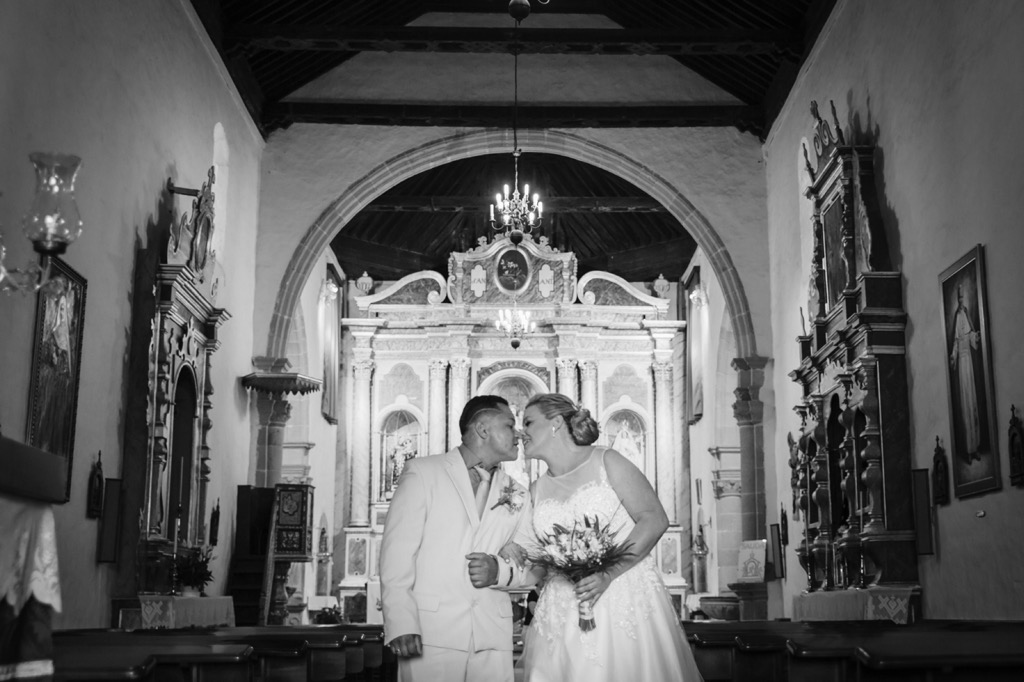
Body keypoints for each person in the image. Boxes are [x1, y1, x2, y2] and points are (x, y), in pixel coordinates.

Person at [516, 393, 703, 681]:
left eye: (528, 422)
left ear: (555, 423)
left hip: (620, 596)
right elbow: (538, 563)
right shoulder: (536, 489)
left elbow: (654, 519)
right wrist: (502, 571)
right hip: (560, 610)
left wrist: (608, 573)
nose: (521, 431)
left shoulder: (607, 461)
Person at [379, 395, 536, 682]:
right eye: (510, 425)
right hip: (431, 632)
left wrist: (498, 571)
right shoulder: (424, 473)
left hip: (492, 635)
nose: (519, 434)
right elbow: (397, 554)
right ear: (483, 429)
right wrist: (400, 622)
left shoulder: (519, 493)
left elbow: (531, 564)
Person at [949, 283, 982, 461]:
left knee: (973, 403)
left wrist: (975, 335)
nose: (961, 301)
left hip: (969, 362)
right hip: (962, 365)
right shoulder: (957, 317)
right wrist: (953, 357)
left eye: (963, 298)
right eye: (959, 298)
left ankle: (976, 446)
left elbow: (971, 337)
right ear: (957, 300)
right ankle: (969, 450)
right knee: (965, 406)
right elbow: (956, 342)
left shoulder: (966, 315)